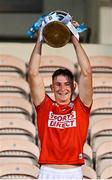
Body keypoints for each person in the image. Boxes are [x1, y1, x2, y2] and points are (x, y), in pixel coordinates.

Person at [28, 21, 93, 180]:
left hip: (73, 172)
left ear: (74, 86)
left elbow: (87, 73)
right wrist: (40, 39)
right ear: (51, 87)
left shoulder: (81, 107)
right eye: (57, 84)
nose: (62, 89)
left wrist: (73, 38)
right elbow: (33, 74)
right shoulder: (45, 107)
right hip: (48, 172)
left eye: (66, 84)